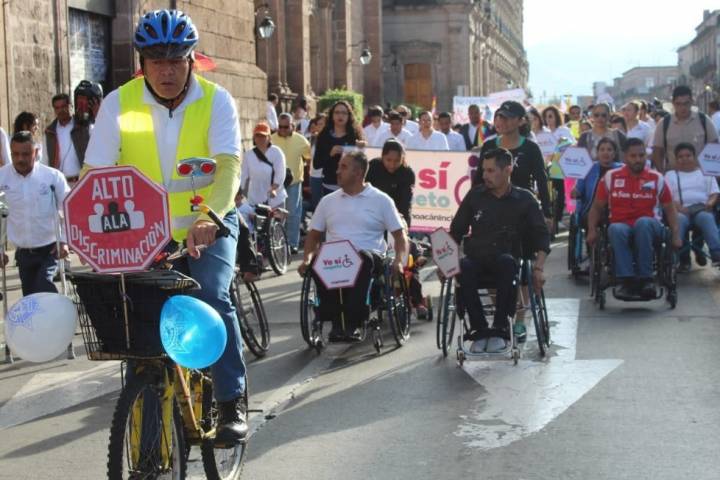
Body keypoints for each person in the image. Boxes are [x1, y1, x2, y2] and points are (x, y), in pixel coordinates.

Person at [84, 9, 248, 442]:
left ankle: (231, 399)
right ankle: (148, 441)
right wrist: (85, 232)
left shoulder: (216, 100)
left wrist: (209, 217)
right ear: (143, 63)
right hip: (144, 235)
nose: (167, 71)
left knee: (212, 296)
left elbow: (229, 168)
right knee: (138, 327)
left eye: (176, 60)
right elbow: (94, 175)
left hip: (207, 225)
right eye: (157, 61)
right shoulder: (118, 103)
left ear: (192, 60)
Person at [299, 151, 408, 342]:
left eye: (343, 167)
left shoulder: (381, 200)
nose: (337, 171)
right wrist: (307, 258)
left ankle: (354, 320)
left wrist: (399, 260)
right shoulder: (328, 201)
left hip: (369, 256)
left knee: (362, 258)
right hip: (335, 258)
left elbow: (400, 236)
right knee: (318, 260)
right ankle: (334, 320)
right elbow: (313, 235)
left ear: (358, 173)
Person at [450, 148, 550, 353]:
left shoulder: (525, 199)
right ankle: (479, 330)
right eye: (483, 170)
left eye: (490, 171)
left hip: (507, 259)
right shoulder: (475, 195)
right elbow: (456, 231)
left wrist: (538, 269)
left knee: (506, 263)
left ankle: (499, 329)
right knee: (464, 267)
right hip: (476, 258)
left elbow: (541, 235)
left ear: (507, 170)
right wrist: (446, 264)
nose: (485, 175)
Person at [587, 138, 682, 299]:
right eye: (633, 156)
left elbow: (670, 209)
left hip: (650, 226)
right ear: (625, 157)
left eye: (641, 155)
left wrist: (675, 234)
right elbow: (596, 207)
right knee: (615, 228)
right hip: (621, 225)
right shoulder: (611, 177)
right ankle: (626, 280)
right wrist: (591, 230)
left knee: (642, 223)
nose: (638, 159)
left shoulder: (657, 178)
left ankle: (646, 279)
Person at [0, 130, 69, 295]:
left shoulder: (52, 177)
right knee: (31, 298)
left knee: (44, 284)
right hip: (23, 253)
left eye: (25, 154)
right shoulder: (2, 178)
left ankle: (56, 310)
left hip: (50, 249)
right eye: (15, 154)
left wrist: (65, 241)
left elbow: (68, 210)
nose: (20, 159)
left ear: (36, 152)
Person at [474, 101, 553, 224]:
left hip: (523, 212)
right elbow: (479, 178)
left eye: (508, 117)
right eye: (500, 116)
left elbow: (541, 180)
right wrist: (473, 207)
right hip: (492, 211)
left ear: (521, 121)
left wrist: (547, 213)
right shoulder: (489, 146)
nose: (502, 120)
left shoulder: (531, 148)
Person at [664, 142, 720, 270]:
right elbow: (666, 197)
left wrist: (710, 203)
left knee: (707, 218)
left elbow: (714, 193)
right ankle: (677, 257)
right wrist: (677, 207)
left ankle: (717, 254)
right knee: (679, 219)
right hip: (680, 210)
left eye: (688, 156)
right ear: (676, 159)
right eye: (680, 156)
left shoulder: (706, 173)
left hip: (701, 209)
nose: (685, 159)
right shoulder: (670, 175)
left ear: (694, 157)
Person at [651, 85, 718, 173]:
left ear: (692, 102)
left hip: (700, 175)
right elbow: (657, 151)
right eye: (678, 104)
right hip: (673, 176)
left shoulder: (704, 120)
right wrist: (663, 174)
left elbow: (714, 147)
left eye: (686, 103)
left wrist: (712, 174)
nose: (683, 107)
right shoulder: (664, 124)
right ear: (673, 103)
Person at [271, 113, 310, 254]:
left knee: (293, 214)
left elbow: (309, 157)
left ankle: (292, 244)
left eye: (286, 127)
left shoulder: (301, 140)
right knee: (276, 214)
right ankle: (277, 243)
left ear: (292, 126)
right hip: (275, 183)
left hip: (294, 182)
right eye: (280, 127)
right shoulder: (271, 139)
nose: (282, 130)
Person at [238, 122, 286, 230]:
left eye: (263, 136)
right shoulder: (249, 155)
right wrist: (238, 192)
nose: (260, 139)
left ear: (269, 137)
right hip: (255, 199)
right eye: (257, 135)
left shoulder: (276, 152)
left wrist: (274, 188)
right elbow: (243, 175)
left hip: (275, 199)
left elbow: (280, 173)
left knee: (275, 230)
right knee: (256, 230)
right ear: (254, 138)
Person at [313, 100, 365, 195]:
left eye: (344, 113)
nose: (340, 116)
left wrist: (362, 148)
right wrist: (330, 153)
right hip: (330, 186)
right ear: (332, 115)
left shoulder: (355, 135)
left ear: (349, 116)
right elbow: (316, 164)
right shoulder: (324, 136)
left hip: (351, 186)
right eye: (337, 112)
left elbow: (363, 162)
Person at [572, 137, 622, 223]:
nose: (605, 152)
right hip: (591, 210)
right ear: (597, 153)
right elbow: (579, 190)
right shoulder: (588, 168)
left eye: (609, 150)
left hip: (617, 210)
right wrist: (575, 192)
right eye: (602, 150)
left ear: (614, 153)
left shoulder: (622, 169)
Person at [45, 93, 92, 185]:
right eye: (57, 108)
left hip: (82, 181)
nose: (60, 110)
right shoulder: (50, 132)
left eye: (63, 106)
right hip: (60, 184)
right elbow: (45, 160)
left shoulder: (83, 127)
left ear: (71, 106)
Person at [307, 113, 327, 211]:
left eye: (322, 124)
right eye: (318, 124)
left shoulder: (331, 139)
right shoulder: (313, 138)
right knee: (316, 205)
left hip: (326, 176)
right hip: (314, 175)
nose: (320, 126)